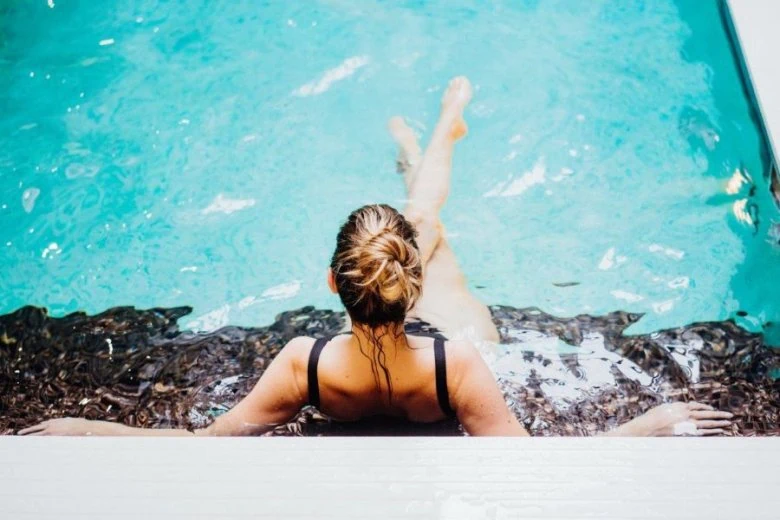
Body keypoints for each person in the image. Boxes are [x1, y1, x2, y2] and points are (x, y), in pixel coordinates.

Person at [19, 77, 733, 437]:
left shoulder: (304, 363)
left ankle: (429, 150)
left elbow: (209, 440)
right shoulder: (462, 365)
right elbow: (531, 462)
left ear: (331, 283)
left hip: (385, 326)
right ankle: (438, 139)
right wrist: (647, 425)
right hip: (454, 338)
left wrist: (81, 428)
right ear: (410, 285)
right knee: (425, 223)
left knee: (421, 218)